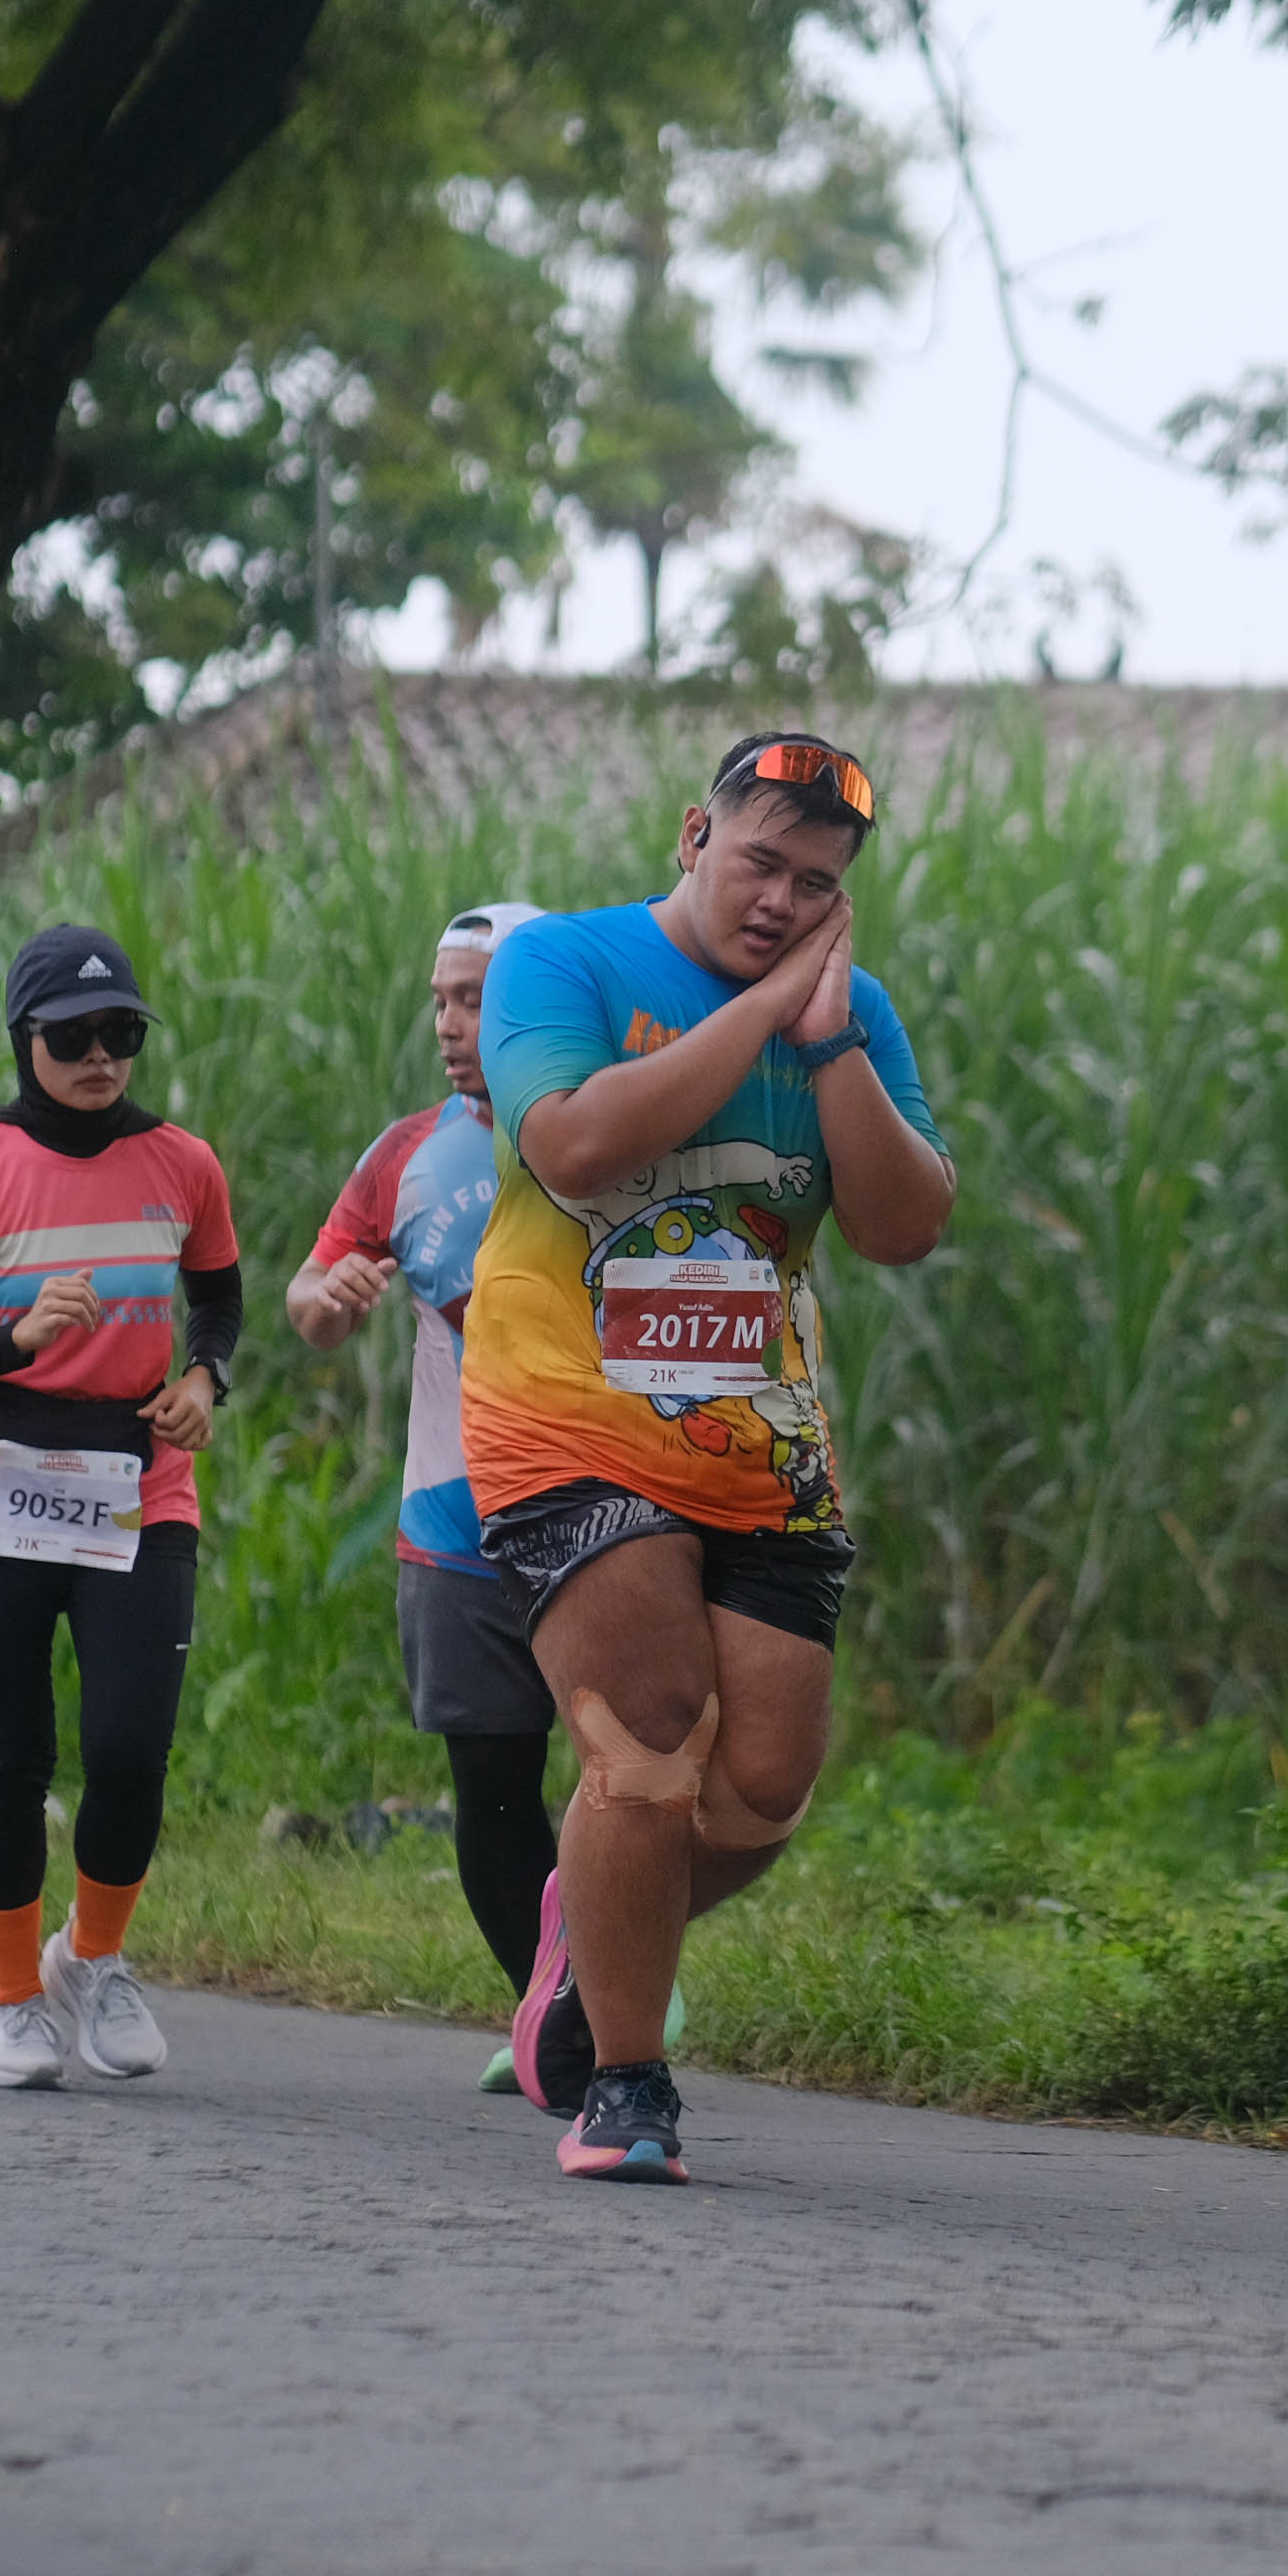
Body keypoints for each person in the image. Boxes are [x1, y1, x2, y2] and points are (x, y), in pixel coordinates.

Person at [464, 731, 956, 2182]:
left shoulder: (851, 1013)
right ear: (694, 835)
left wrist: (832, 1041)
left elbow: (905, 1226)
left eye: (819, 885)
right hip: (564, 1410)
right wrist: (760, 1014)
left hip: (758, 1433)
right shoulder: (562, 963)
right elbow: (573, 1145)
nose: (782, 902)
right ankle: (627, 2085)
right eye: (761, 863)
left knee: (761, 1792)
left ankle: (588, 1920)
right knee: (647, 1733)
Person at [0, 925, 237, 2092]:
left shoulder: (184, 1163)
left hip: (140, 1483)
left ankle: (92, 1958)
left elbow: (219, 1299)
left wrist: (205, 1378)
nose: (100, 1057)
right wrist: (16, 1337)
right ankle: (11, 2006)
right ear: (23, 1039)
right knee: (13, 1761)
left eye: (121, 1033)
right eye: (73, 1036)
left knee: (130, 1748)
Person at [290, 901, 566, 2092]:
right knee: (491, 1791)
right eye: (441, 1001)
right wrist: (329, 1299)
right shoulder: (406, 1151)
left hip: (611, 1507)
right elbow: (308, 1294)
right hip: (456, 1519)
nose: (452, 1025)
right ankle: (557, 2016)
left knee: (634, 1776)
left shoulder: (620, 1127)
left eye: (477, 999)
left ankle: (603, 1997)